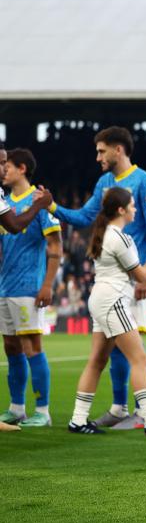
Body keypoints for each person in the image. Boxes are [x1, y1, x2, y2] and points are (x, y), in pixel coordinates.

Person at [48, 126, 146, 430]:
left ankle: (130, 411)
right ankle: (131, 411)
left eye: (102, 151)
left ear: (119, 150)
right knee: (129, 351)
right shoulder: (104, 184)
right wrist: (53, 207)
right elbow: (86, 217)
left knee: (114, 351)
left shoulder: (145, 181)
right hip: (124, 277)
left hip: (127, 280)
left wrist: (141, 279)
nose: (98, 156)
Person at [67, 187, 146, 436]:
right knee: (139, 358)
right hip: (113, 300)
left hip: (100, 298)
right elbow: (141, 276)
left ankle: (78, 420)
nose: (135, 209)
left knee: (96, 361)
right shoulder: (120, 237)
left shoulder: (105, 234)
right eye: (132, 205)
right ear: (121, 210)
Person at [0, 149, 61, 428]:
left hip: (29, 285)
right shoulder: (5, 202)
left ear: (21, 168)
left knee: (32, 346)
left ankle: (43, 411)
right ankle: (16, 408)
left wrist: (47, 284)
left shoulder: (40, 200)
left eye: (7, 166)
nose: (4, 171)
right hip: (5, 285)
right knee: (11, 347)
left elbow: (55, 246)